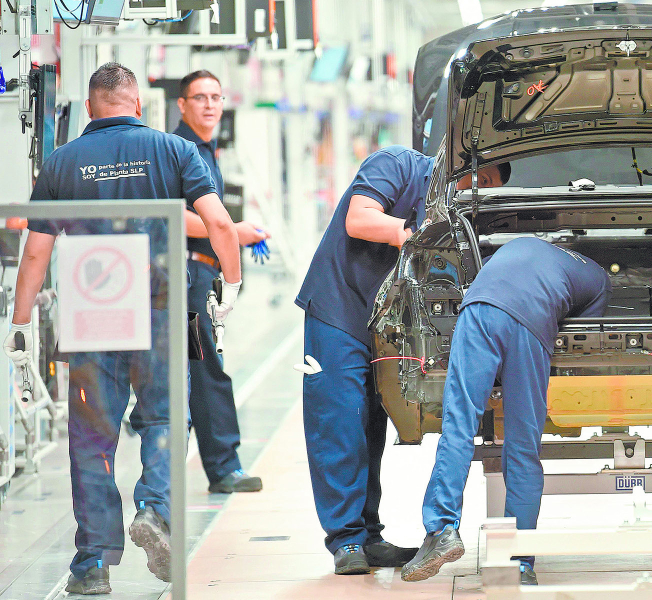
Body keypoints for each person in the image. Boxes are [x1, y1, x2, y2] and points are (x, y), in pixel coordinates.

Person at [1, 63, 242, 594]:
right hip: (158, 308)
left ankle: (91, 564)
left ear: (89, 108)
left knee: (92, 438)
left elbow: (36, 252)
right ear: (138, 105)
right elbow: (220, 223)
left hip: (92, 316)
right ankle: (154, 510)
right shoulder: (174, 151)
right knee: (164, 420)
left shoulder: (63, 161)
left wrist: (19, 327)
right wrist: (232, 285)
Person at [295, 145, 510, 575]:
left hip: (389, 324)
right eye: (482, 180)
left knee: (373, 424)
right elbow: (359, 219)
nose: (478, 191)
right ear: (464, 163)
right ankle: (345, 540)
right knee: (339, 421)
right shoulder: (397, 164)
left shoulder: (457, 214)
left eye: (488, 189)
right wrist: (410, 233)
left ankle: (368, 535)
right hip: (340, 310)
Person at [401, 237, 610, 585]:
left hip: (479, 309)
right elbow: (583, 343)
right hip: (532, 323)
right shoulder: (599, 279)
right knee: (523, 448)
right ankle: (521, 562)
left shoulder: (520, 243)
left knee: (458, 428)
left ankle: (441, 531)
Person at [173, 69, 269, 494]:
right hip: (190, 276)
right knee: (204, 364)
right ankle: (223, 466)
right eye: (200, 97)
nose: (210, 105)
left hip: (203, 273)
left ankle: (214, 463)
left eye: (215, 97)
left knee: (201, 365)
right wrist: (231, 232)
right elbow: (177, 214)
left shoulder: (207, 151)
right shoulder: (180, 149)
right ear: (182, 105)